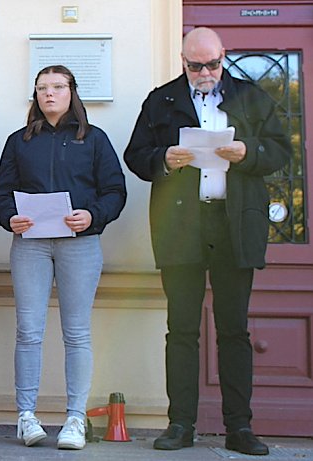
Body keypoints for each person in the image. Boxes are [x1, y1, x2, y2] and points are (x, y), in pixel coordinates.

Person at [124, 27, 291, 456]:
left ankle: (240, 428)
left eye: (212, 64)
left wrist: (246, 153)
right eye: (195, 65)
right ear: (183, 61)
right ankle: (180, 424)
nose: (204, 72)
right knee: (181, 329)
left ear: (223, 57)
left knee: (234, 330)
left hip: (234, 225)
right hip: (182, 225)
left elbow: (280, 151)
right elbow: (135, 155)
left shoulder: (252, 96)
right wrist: (163, 158)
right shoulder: (161, 99)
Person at [0, 65, 126, 450]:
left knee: (77, 332)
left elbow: (115, 191)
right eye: (41, 88)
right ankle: (26, 416)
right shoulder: (20, 141)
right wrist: (10, 219)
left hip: (79, 244)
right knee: (29, 331)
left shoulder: (94, 139)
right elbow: (2, 193)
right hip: (31, 244)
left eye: (57, 87)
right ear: (35, 95)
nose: (49, 94)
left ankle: (75, 418)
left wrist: (92, 216)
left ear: (72, 92)